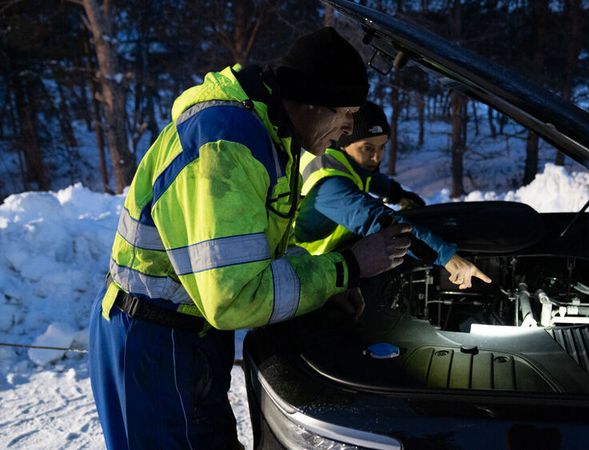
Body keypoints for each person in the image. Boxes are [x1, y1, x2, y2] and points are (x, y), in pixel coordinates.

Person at [89, 28, 411, 449]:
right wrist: (346, 267)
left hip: (188, 337)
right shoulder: (226, 145)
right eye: (345, 112)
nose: (349, 127)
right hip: (153, 343)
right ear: (312, 101)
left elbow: (259, 252)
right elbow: (235, 297)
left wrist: (326, 287)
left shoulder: (268, 135)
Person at [295, 101, 491, 289]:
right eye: (368, 148)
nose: (376, 157)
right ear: (344, 143)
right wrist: (447, 257)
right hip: (303, 273)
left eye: (382, 147)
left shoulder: (345, 163)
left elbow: (373, 179)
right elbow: (380, 222)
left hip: (327, 265)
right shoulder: (330, 183)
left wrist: (399, 194)